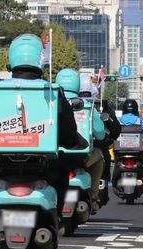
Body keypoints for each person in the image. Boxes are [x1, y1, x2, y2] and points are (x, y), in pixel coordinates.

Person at [0, 34, 86, 217]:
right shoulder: (53, 93)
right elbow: (69, 134)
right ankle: (57, 215)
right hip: (43, 167)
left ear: (11, 58)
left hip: (1, 166)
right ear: (41, 60)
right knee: (63, 163)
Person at [55, 68, 106, 210]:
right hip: (81, 158)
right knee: (99, 156)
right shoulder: (87, 106)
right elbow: (100, 134)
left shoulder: (50, 103)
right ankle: (94, 196)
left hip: (54, 157)